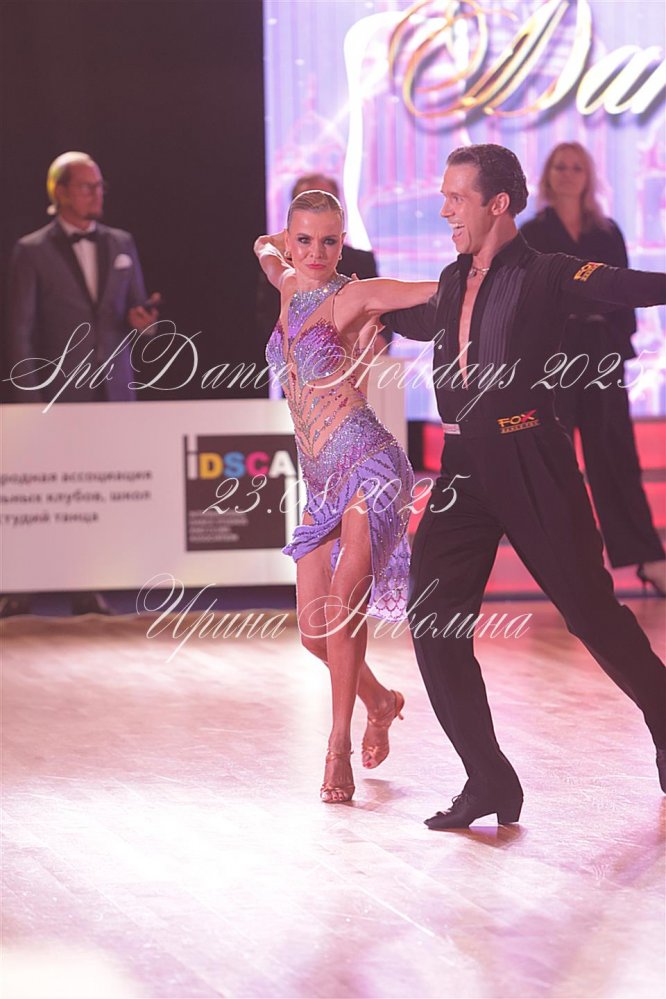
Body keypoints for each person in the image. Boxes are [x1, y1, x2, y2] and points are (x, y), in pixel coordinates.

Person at [382, 144, 666, 830]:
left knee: (590, 613)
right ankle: (488, 779)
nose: (445, 209)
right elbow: (400, 313)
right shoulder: (451, 281)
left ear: (499, 203)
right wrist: (325, 287)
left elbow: (628, 286)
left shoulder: (549, 272)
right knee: (433, 621)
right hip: (461, 469)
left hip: (532, 457)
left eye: (457, 197)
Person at [255, 189, 437, 803]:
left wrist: (488, 272)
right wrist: (272, 246)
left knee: (343, 609)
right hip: (321, 480)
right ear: (291, 240)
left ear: (342, 245)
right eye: (303, 240)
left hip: (370, 465)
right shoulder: (287, 285)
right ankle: (380, 701)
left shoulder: (350, 296)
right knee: (314, 635)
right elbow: (262, 251)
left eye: (329, 241)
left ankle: (337, 747)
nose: (315, 252)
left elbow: (427, 290)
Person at [2, 151, 160, 618]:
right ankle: (24, 586)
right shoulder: (31, 250)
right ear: (60, 191)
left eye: (99, 186)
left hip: (111, 389)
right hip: (55, 393)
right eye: (87, 186)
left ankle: (88, 587)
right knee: (44, 493)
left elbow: (138, 315)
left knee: (100, 491)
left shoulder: (121, 242)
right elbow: (19, 330)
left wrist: (144, 324)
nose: (97, 194)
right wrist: (27, 398)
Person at [520, 142, 666, 597]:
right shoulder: (532, 233)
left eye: (576, 167)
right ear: (548, 175)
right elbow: (528, 301)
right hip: (554, 357)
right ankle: (563, 564)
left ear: (588, 177)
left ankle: (648, 558)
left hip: (601, 351)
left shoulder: (607, 231)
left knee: (615, 455)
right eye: (559, 166)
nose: (567, 174)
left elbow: (626, 292)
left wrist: (617, 341)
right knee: (556, 460)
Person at [255, 173, 384, 347]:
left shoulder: (361, 264)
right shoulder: (282, 272)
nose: (318, 209)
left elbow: (390, 312)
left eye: (326, 202)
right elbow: (262, 244)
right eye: (308, 203)